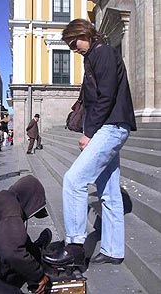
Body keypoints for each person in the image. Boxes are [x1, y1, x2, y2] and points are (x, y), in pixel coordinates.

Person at [43, 19, 136, 266]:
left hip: (110, 127)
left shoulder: (102, 52)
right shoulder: (93, 55)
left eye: (74, 43)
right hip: (112, 126)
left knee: (74, 181)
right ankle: (113, 251)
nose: (74, 49)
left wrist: (90, 133)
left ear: (85, 34)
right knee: (110, 193)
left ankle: (74, 246)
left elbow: (106, 96)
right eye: (70, 46)